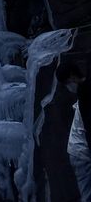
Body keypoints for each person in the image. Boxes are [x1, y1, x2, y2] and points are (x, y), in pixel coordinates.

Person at [56, 60, 91, 200]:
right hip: (82, 151)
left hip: (79, 150)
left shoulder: (84, 92)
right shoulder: (85, 91)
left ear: (71, 77)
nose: (68, 88)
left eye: (66, 84)